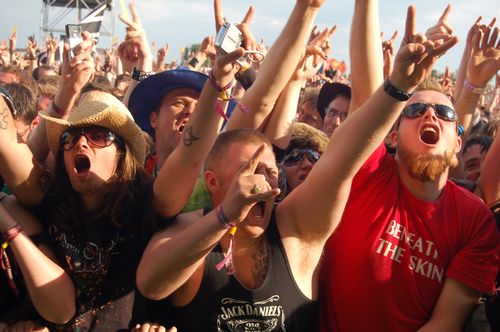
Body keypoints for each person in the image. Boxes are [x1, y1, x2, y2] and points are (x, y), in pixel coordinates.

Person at [134, 3, 460, 330]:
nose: (261, 182)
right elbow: (152, 283)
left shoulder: (295, 230)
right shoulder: (186, 228)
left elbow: (343, 158)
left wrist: (397, 89)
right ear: (213, 182)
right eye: (247, 171)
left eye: (269, 171)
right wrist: (224, 217)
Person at [318, 5, 499, 331]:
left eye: (445, 114)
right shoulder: (368, 173)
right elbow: (365, 92)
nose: (431, 116)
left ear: (457, 145)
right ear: (391, 135)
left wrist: (471, 88)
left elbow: (446, 322)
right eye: (415, 110)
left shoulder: (476, 221)